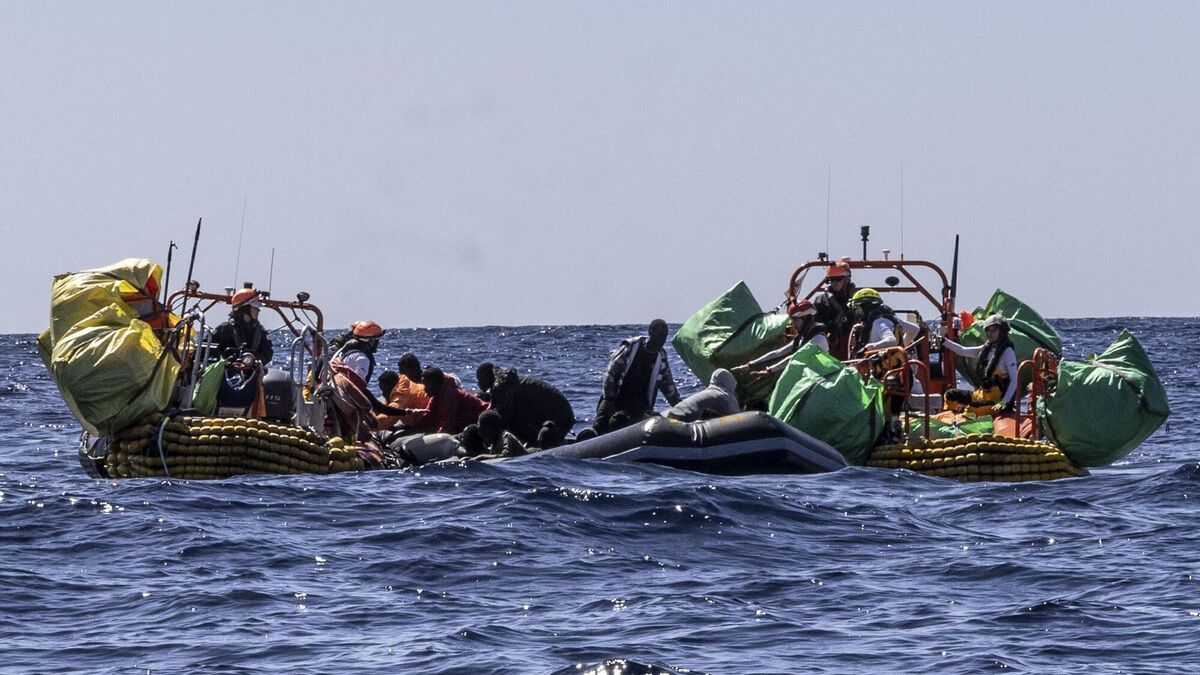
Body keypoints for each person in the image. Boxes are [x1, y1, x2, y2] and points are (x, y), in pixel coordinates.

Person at [595, 319, 682, 430]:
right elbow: (611, 373)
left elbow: (668, 386)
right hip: (616, 398)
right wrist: (609, 398)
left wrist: (680, 407)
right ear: (651, 332)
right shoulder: (631, 347)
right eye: (660, 335)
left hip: (640, 404)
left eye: (665, 336)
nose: (662, 340)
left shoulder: (661, 357)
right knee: (602, 422)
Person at [477, 363, 576, 447]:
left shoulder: (501, 386)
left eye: (479, 379)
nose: (478, 384)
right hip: (564, 414)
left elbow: (504, 418)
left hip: (559, 417)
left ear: (486, 377)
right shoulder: (507, 383)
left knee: (511, 422)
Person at [941, 313, 1019, 416]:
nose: (989, 333)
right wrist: (944, 341)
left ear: (1002, 331)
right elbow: (962, 351)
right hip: (981, 394)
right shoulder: (986, 349)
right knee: (950, 395)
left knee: (972, 409)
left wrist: (1004, 402)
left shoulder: (1007, 352)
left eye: (993, 330)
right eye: (987, 330)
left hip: (996, 401)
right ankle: (949, 418)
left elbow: (1014, 379)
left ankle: (963, 415)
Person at [732, 300, 829, 378]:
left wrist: (770, 370)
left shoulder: (818, 339)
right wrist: (750, 365)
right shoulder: (801, 338)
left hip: (821, 378)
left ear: (805, 318)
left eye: (795, 320)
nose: (793, 324)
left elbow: (795, 358)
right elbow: (778, 353)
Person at [404, 367, 489, 435]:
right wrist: (412, 429)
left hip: (485, 420)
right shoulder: (437, 395)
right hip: (467, 425)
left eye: (427, 385)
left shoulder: (450, 395)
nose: (425, 390)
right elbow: (429, 417)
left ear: (435, 383)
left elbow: (448, 426)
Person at [213, 288, 273, 365]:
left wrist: (257, 361)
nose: (258, 311)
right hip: (226, 369)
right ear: (244, 308)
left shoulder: (260, 332)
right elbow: (206, 347)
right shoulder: (224, 329)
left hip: (252, 369)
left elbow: (267, 352)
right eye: (255, 307)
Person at [811, 260, 858, 359]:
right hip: (830, 346)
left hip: (855, 344)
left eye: (838, 279)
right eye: (831, 280)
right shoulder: (821, 300)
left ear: (846, 279)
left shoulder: (858, 298)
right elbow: (814, 325)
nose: (834, 283)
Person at [376, 352, 431, 429]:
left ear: (415, 369)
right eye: (401, 373)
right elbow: (387, 406)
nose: (402, 375)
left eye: (404, 372)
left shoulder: (426, 379)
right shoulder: (401, 385)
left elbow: (388, 417)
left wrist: (367, 425)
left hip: (427, 415)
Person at [664, 368, 741, 422]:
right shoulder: (724, 396)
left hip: (670, 416)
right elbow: (739, 419)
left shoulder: (710, 392)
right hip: (682, 420)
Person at [846, 288, 902, 358]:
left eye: (858, 308)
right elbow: (913, 329)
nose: (857, 312)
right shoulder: (893, 319)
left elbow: (892, 341)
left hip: (885, 364)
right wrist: (903, 348)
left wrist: (868, 348)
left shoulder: (879, 323)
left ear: (865, 308)